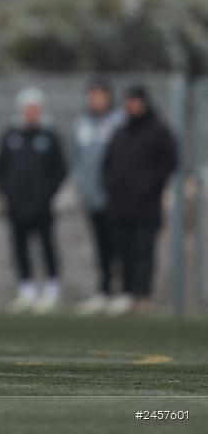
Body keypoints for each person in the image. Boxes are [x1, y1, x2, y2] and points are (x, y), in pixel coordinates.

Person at [101, 85, 178, 315]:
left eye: (135, 101)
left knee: (143, 249)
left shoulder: (159, 131)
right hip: (121, 205)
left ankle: (143, 294)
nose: (132, 105)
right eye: (129, 101)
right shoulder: (120, 132)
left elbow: (170, 162)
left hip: (147, 205)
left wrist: (149, 186)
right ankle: (126, 293)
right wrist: (111, 187)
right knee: (123, 250)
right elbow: (107, 165)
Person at [0, 88, 67, 313]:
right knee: (20, 248)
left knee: (47, 246)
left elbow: (60, 170)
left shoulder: (49, 137)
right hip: (17, 206)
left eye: (34, 109)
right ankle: (26, 289)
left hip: (42, 205)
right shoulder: (10, 136)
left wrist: (47, 193)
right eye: (27, 109)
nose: (31, 113)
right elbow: (0, 170)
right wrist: (9, 193)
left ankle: (52, 288)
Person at [71, 79, 125, 315]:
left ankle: (123, 292)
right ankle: (103, 292)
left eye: (100, 95)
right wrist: (79, 187)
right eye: (92, 95)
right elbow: (76, 158)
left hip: (116, 196)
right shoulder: (82, 124)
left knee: (120, 246)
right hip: (92, 196)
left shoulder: (119, 122)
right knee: (100, 246)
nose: (95, 100)